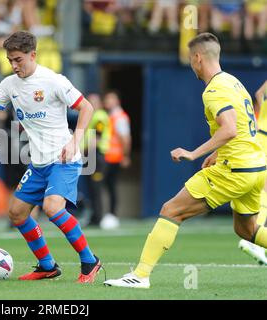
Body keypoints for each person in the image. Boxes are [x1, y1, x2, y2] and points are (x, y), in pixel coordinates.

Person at [104, 33, 267, 288]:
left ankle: (140, 275)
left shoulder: (213, 90)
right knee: (246, 230)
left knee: (171, 210)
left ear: (197, 57)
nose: (192, 65)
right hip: (255, 167)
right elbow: (244, 128)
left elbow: (230, 129)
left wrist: (193, 153)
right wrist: (216, 153)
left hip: (234, 169)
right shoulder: (233, 82)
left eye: (192, 60)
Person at [0, 31, 102, 283]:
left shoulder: (54, 81)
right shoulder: (9, 84)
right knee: (17, 213)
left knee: (53, 208)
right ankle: (47, 266)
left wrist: (76, 141)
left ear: (33, 55)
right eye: (10, 60)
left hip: (63, 159)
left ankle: (89, 261)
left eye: (18, 59)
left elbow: (87, 107)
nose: (14, 65)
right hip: (39, 163)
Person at [238, 79, 267, 265]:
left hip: (261, 135)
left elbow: (258, 93)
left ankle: (258, 241)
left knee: (263, 191)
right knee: (264, 191)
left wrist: (258, 121)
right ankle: (254, 239)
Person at [101, 90, 132, 230]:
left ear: (117, 101)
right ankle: (107, 215)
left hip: (114, 157)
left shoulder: (119, 117)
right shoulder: (109, 116)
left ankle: (112, 215)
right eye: (107, 99)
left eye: (111, 99)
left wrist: (125, 156)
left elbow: (125, 138)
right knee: (107, 185)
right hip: (108, 156)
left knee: (110, 186)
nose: (108, 102)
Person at [81, 93, 111, 227]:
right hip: (90, 155)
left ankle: (98, 217)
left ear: (99, 103)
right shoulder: (90, 116)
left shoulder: (100, 116)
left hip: (96, 156)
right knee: (91, 188)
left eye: (94, 101)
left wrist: (81, 152)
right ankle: (94, 216)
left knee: (96, 187)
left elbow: (96, 138)